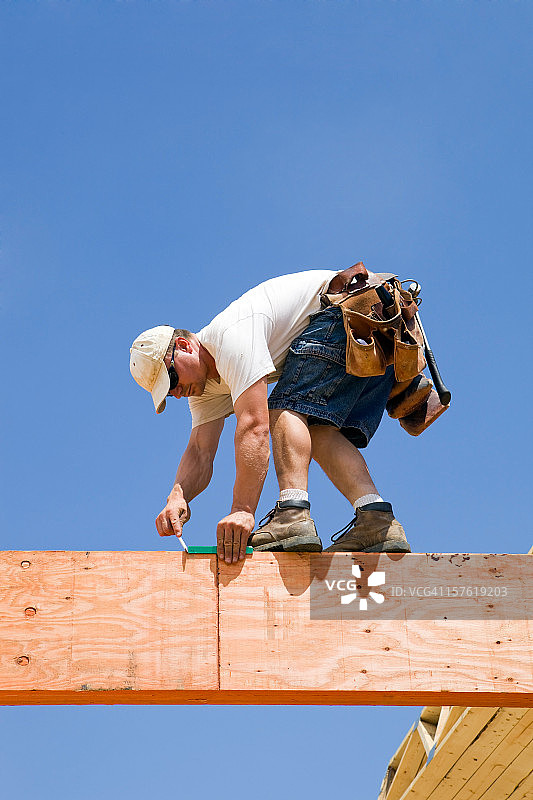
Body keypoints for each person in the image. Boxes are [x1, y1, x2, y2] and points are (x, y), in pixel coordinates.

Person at [129, 263, 411, 564]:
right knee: (315, 427)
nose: (174, 392)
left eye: (171, 380)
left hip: (356, 313)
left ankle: (293, 514)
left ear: (184, 346)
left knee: (283, 410)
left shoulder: (229, 338)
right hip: (379, 332)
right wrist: (178, 495)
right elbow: (200, 451)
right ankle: (376, 520)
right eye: (166, 392)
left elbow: (255, 427)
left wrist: (243, 510)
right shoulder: (205, 388)